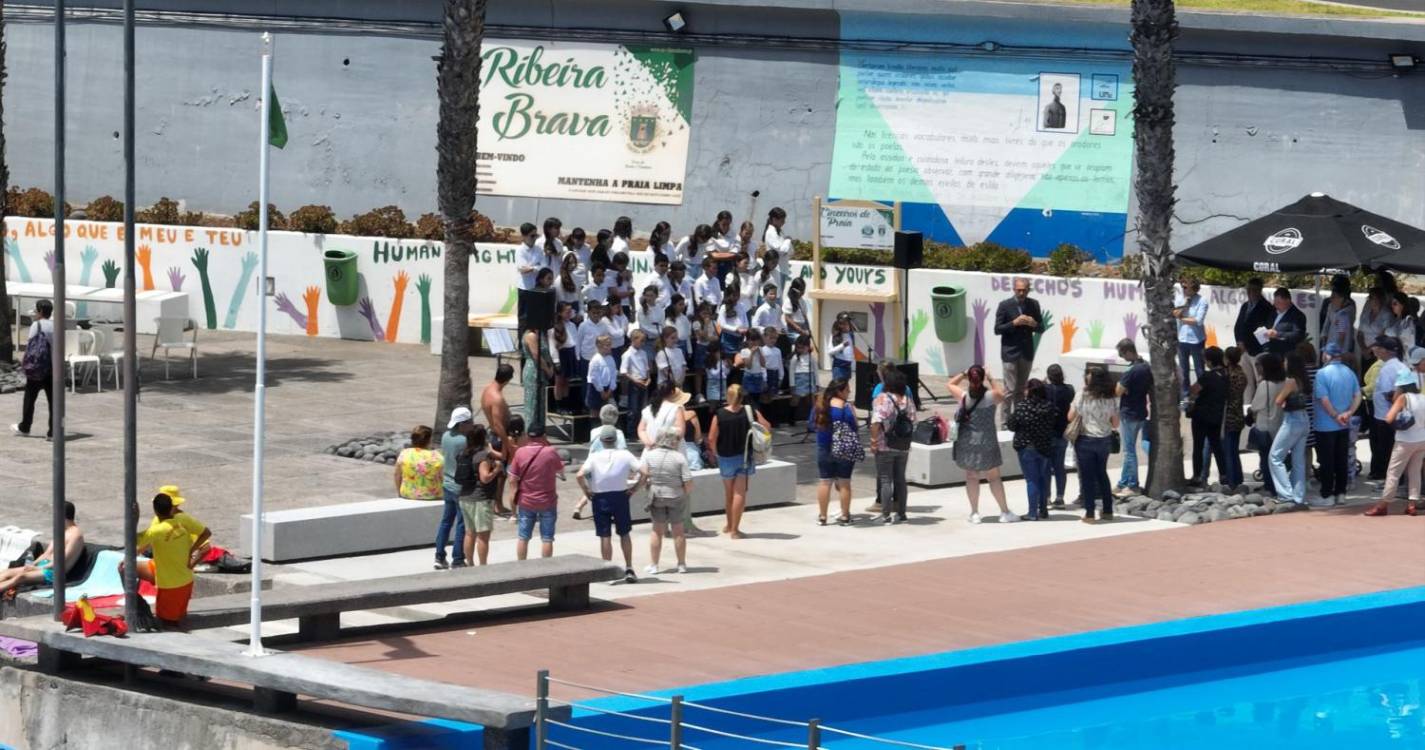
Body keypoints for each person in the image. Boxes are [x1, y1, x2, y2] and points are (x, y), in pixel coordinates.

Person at [948, 366, 1016, 524]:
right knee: (994, 478)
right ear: (982, 378)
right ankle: (1004, 511)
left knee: (971, 477)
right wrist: (991, 378)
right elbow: (1002, 393)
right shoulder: (991, 397)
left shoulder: (964, 397)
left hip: (968, 442)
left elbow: (950, 384)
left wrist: (963, 373)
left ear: (969, 380)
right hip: (988, 441)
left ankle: (974, 513)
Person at [576, 425, 644, 584]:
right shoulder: (625, 454)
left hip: (600, 497)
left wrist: (587, 491)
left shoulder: (594, 456)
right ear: (616, 439)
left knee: (605, 535)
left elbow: (579, 475)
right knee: (624, 533)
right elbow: (645, 472)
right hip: (621, 496)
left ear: (601, 440)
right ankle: (629, 567)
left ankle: (607, 570)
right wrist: (634, 489)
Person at [134, 492, 210, 628]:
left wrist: (135, 518)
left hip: (171, 586)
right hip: (181, 578)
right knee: (125, 568)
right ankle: (138, 607)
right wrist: (191, 552)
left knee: (168, 624)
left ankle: (144, 612)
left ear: (155, 510)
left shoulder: (156, 531)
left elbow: (132, 539)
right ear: (172, 507)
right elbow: (206, 533)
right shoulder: (184, 520)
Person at [706, 384, 770, 538]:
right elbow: (767, 426)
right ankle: (735, 530)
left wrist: (715, 453)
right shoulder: (750, 411)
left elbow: (711, 438)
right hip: (744, 456)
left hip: (725, 457)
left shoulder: (719, 414)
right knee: (739, 494)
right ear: (742, 396)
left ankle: (729, 524)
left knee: (728, 494)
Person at [1365, 369, 1425, 516]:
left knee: (1393, 472)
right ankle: (1412, 504)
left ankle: (1383, 504)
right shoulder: (1423, 398)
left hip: (1405, 441)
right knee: (1415, 471)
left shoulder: (1403, 398)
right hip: (1421, 440)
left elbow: (1388, 418)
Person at [1069, 368, 1120, 523]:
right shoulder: (1111, 397)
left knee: (1087, 477)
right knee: (1102, 474)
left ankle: (1090, 513)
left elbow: (1070, 416)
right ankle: (1107, 510)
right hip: (1104, 438)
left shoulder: (1082, 395)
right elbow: (1115, 423)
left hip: (1085, 439)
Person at [1313, 342, 1361, 507]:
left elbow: (1324, 399)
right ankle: (1341, 493)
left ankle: (1327, 494)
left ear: (1327, 355)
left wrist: (1335, 415)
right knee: (1341, 459)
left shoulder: (1322, 374)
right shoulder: (1349, 372)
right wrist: (1348, 413)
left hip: (1325, 425)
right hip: (1344, 424)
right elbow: (1358, 396)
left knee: (1327, 461)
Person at [0, 501, 84, 595]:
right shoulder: (60, 531)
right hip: (45, 566)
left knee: (21, 577)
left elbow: (61, 562)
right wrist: (32, 565)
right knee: (7, 572)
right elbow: (47, 554)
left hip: (55, 572)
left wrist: (37, 568)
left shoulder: (76, 535)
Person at [993, 278, 1045, 424]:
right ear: (1014, 289)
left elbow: (1041, 328)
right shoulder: (1005, 305)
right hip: (1010, 352)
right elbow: (997, 329)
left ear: (1028, 290)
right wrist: (1014, 323)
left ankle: (1019, 421)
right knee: (1009, 390)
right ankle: (1004, 423)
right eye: (1018, 290)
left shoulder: (1033, 304)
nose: (1021, 293)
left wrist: (1033, 323)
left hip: (1026, 352)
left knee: (1021, 390)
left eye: (1024, 290)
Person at [507, 424, 564, 560]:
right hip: (548, 501)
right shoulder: (550, 452)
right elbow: (561, 471)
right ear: (544, 436)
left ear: (528, 436)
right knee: (547, 538)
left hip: (526, 501)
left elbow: (512, 478)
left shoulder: (520, 452)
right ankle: (545, 567)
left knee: (523, 537)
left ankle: (521, 566)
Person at [642, 426, 693, 574]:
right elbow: (688, 482)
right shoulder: (679, 458)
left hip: (656, 496)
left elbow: (644, 476)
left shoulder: (650, 456)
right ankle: (681, 564)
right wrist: (683, 493)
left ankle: (654, 565)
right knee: (678, 531)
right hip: (676, 496)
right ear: (673, 441)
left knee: (657, 531)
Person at [869, 369, 915, 524]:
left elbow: (876, 421)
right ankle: (902, 514)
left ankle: (886, 515)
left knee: (885, 480)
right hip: (903, 445)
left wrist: (874, 441)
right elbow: (913, 420)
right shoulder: (907, 400)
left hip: (885, 445)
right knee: (900, 479)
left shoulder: (883, 398)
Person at [1008, 379, 1057, 521]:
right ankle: (1043, 509)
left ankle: (1032, 512)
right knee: (1042, 479)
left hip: (1026, 447)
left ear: (1029, 390)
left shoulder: (1022, 406)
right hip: (1044, 447)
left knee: (1031, 480)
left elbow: (1011, 425)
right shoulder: (1049, 407)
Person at [813, 379, 860, 526]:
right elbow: (855, 426)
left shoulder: (820, 405)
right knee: (844, 482)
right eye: (847, 390)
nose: (849, 392)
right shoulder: (846, 407)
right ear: (839, 391)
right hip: (844, 448)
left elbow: (811, 424)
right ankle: (845, 516)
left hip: (824, 447)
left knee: (824, 482)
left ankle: (822, 516)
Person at [1268, 353, 1312, 506]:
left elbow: (1279, 401)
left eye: (1286, 361)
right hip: (1304, 419)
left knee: (1274, 457)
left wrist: (1284, 401)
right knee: (1298, 460)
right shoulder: (1303, 380)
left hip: (1292, 420)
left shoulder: (1290, 381)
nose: (1284, 363)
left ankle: (1285, 494)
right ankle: (1298, 496)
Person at [11, 299, 54, 440]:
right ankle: (53, 432)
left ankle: (25, 427)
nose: (35, 313)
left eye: (36, 310)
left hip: (37, 368)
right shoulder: (55, 326)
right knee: (53, 401)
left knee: (30, 398)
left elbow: (31, 347)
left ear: (41, 311)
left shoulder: (36, 325)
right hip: (52, 368)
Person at [1113, 339, 1152, 496]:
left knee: (1129, 451)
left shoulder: (1131, 370)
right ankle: (1123, 482)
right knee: (1129, 450)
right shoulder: (1145, 366)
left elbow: (1118, 391)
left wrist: (1121, 386)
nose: (1121, 357)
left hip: (1128, 414)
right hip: (1140, 412)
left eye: (1122, 354)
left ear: (1128, 351)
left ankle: (1133, 484)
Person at [1187, 347, 1229, 488]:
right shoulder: (1225, 375)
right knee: (1216, 445)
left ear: (1210, 361)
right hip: (1216, 415)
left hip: (1201, 415)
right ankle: (1224, 474)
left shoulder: (1207, 376)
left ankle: (1197, 476)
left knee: (1198, 446)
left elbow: (1194, 389)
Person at [1369, 336, 1409, 482]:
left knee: (1387, 451)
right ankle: (1399, 481)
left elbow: (1388, 393)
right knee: (1398, 450)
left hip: (1386, 416)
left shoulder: (1387, 369)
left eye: (1378, 348)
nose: (1375, 350)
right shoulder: (1402, 366)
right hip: (1400, 415)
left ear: (1385, 351)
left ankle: (1392, 482)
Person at [436, 409, 472, 569]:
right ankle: (458, 558)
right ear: (462, 424)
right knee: (461, 524)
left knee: (446, 522)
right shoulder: (463, 441)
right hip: (460, 487)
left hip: (447, 484)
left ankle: (439, 556)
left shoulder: (445, 436)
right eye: (469, 422)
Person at [1248, 353, 1287, 498]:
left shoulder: (1265, 385)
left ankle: (1269, 487)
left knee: (1265, 459)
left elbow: (1256, 406)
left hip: (1265, 426)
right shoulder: (1284, 382)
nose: (1257, 368)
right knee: (1277, 459)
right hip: (1281, 425)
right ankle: (1277, 486)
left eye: (1258, 365)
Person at [481, 363, 516, 515]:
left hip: (494, 435)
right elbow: (498, 425)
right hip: (498, 437)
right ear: (508, 380)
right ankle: (498, 505)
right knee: (500, 474)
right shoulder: (497, 398)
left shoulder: (488, 388)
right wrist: (507, 444)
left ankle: (496, 504)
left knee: (498, 472)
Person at [1233, 277, 1273, 401]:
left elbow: (1264, 330)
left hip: (1257, 350)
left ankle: (1259, 408)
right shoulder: (1245, 306)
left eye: (1254, 290)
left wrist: (1248, 344)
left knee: (1260, 381)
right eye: (1248, 289)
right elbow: (1238, 325)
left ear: (1260, 290)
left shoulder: (1266, 307)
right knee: (1247, 382)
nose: (1250, 292)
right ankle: (1247, 409)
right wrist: (1239, 342)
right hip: (1243, 350)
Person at [461, 445, 501, 566]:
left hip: (465, 497)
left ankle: (470, 563)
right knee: (482, 536)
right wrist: (496, 469)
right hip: (481, 499)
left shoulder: (465, 453)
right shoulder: (483, 457)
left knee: (469, 533)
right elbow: (485, 478)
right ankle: (483, 566)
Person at [1045, 364, 1075, 508]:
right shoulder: (1069, 389)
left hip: (1047, 432)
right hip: (1063, 431)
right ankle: (1060, 497)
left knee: (1046, 467)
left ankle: (1046, 497)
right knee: (1059, 467)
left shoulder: (1045, 389)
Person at [1174, 278, 1209, 403]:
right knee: (1184, 370)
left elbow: (1198, 321)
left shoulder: (1202, 301)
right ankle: (1186, 396)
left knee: (1200, 369)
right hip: (1182, 339)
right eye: (1182, 286)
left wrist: (1181, 318)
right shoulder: (1179, 298)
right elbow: (1175, 313)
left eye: (1185, 287)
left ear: (1193, 289)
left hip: (1196, 341)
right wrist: (1185, 305)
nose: (1183, 289)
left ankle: (1202, 395)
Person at [1222, 347, 1249, 491]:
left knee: (1229, 450)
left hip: (1229, 415)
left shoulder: (1228, 375)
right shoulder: (1242, 374)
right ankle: (1238, 478)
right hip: (1239, 414)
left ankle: (1232, 481)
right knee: (1234, 449)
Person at [394, 425, 444, 501]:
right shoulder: (437, 456)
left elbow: (397, 475)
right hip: (432, 495)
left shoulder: (405, 453)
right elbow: (443, 478)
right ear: (429, 440)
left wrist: (399, 492)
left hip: (407, 493)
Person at [1317, 274, 1357, 365]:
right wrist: (1323, 335)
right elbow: (1326, 322)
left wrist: (1338, 349)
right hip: (1330, 340)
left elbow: (1342, 334)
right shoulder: (1330, 304)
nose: (1331, 298)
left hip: (1342, 345)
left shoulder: (1347, 309)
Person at [620, 329, 652, 441]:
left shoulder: (643, 353)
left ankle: (641, 431)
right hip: (634, 383)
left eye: (644, 341)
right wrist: (635, 380)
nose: (643, 343)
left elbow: (647, 368)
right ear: (633, 340)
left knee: (642, 409)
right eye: (641, 341)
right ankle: (631, 434)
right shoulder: (627, 354)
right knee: (633, 410)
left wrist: (648, 378)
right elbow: (623, 371)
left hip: (643, 382)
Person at [522, 324, 554, 434]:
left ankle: (540, 432)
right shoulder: (531, 335)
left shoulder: (541, 334)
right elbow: (536, 355)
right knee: (533, 404)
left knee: (540, 405)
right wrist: (547, 369)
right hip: (534, 370)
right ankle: (530, 433)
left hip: (542, 371)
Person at [1357, 287, 1396, 374]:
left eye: (1375, 298)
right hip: (1364, 352)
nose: (1372, 300)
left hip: (1378, 352)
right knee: (1364, 376)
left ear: (1381, 299)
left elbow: (1383, 336)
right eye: (1370, 298)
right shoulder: (1366, 313)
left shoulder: (1386, 315)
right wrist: (1363, 349)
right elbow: (1360, 333)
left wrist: (1369, 350)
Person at [1264, 287, 1307, 357]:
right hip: (1270, 352)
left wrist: (1277, 334)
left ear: (1288, 301)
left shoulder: (1298, 315)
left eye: (1278, 302)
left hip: (1286, 355)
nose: (1275, 305)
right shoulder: (1273, 312)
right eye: (1275, 302)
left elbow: (1298, 335)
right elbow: (1268, 326)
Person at [585, 334, 618, 420]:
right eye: (607, 345)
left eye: (610, 344)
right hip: (596, 389)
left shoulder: (611, 359)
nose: (610, 347)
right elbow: (594, 377)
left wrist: (611, 389)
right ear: (599, 346)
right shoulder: (595, 359)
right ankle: (594, 429)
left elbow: (613, 374)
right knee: (595, 412)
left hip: (608, 389)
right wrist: (601, 391)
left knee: (608, 413)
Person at [515, 222, 546, 290]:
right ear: (524, 236)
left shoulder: (539, 249)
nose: (535, 238)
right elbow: (523, 270)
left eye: (536, 235)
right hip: (524, 287)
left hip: (537, 287)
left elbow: (544, 266)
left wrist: (531, 268)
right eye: (532, 236)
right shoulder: (520, 250)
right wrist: (537, 267)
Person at [828, 314, 856, 384]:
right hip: (839, 366)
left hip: (848, 366)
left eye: (848, 323)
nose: (847, 325)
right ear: (840, 325)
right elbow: (830, 352)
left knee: (844, 388)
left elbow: (851, 351)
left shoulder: (851, 335)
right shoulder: (835, 336)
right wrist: (842, 345)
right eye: (845, 323)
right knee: (838, 387)